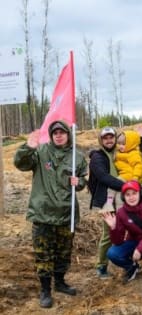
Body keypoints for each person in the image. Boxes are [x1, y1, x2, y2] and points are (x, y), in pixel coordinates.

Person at [14, 120, 88, 308]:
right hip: (43, 213)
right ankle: (45, 289)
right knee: (44, 254)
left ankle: (60, 282)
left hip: (66, 214)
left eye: (62, 132)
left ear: (67, 134)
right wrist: (27, 147)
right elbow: (20, 163)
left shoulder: (76, 157)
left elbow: (83, 181)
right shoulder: (40, 153)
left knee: (63, 253)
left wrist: (78, 182)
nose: (58, 135)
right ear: (51, 135)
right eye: (55, 133)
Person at [103, 180, 142, 283]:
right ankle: (132, 266)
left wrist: (140, 248)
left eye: (134, 193)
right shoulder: (121, 213)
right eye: (127, 195)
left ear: (140, 193)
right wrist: (113, 227)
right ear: (123, 197)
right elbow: (118, 241)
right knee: (112, 253)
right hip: (135, 241)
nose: (131, 197)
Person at [88, 127, 125, 278]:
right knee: (108, 233)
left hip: (121, 198)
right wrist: (125, 186)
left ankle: (124, 260)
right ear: (100, 140)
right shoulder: (97, 157)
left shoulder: (118, 153)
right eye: (105, 138)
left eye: (111, 137)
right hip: (107, 201)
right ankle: (101, 266)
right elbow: (103, 177)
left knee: (125, 228)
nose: (109, 140)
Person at [101, 129, 142, 212]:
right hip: (125, 175)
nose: (121, 146)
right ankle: (120, 213)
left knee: (112, 186)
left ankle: (109, 204)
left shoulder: (133, 154)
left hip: (129, 176)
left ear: (131, 144)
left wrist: (135, 177)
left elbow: (139, 166)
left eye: (124, 144)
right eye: (119, 143)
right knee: (119, 196)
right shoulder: (120, 153)